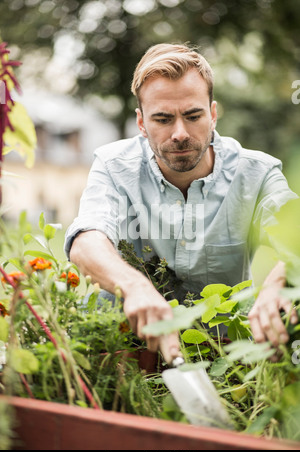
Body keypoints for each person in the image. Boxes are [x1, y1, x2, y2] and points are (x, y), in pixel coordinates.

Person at [64, 43, 298, 364]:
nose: (179, 133)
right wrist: (134, 285)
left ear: (213, 114)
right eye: (162, 119)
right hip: (123, 355)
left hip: (222, 358)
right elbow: (85, 240)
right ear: (142, 123)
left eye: (193, 115)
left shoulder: (256, 173)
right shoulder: (113, 165)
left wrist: (276, 285)